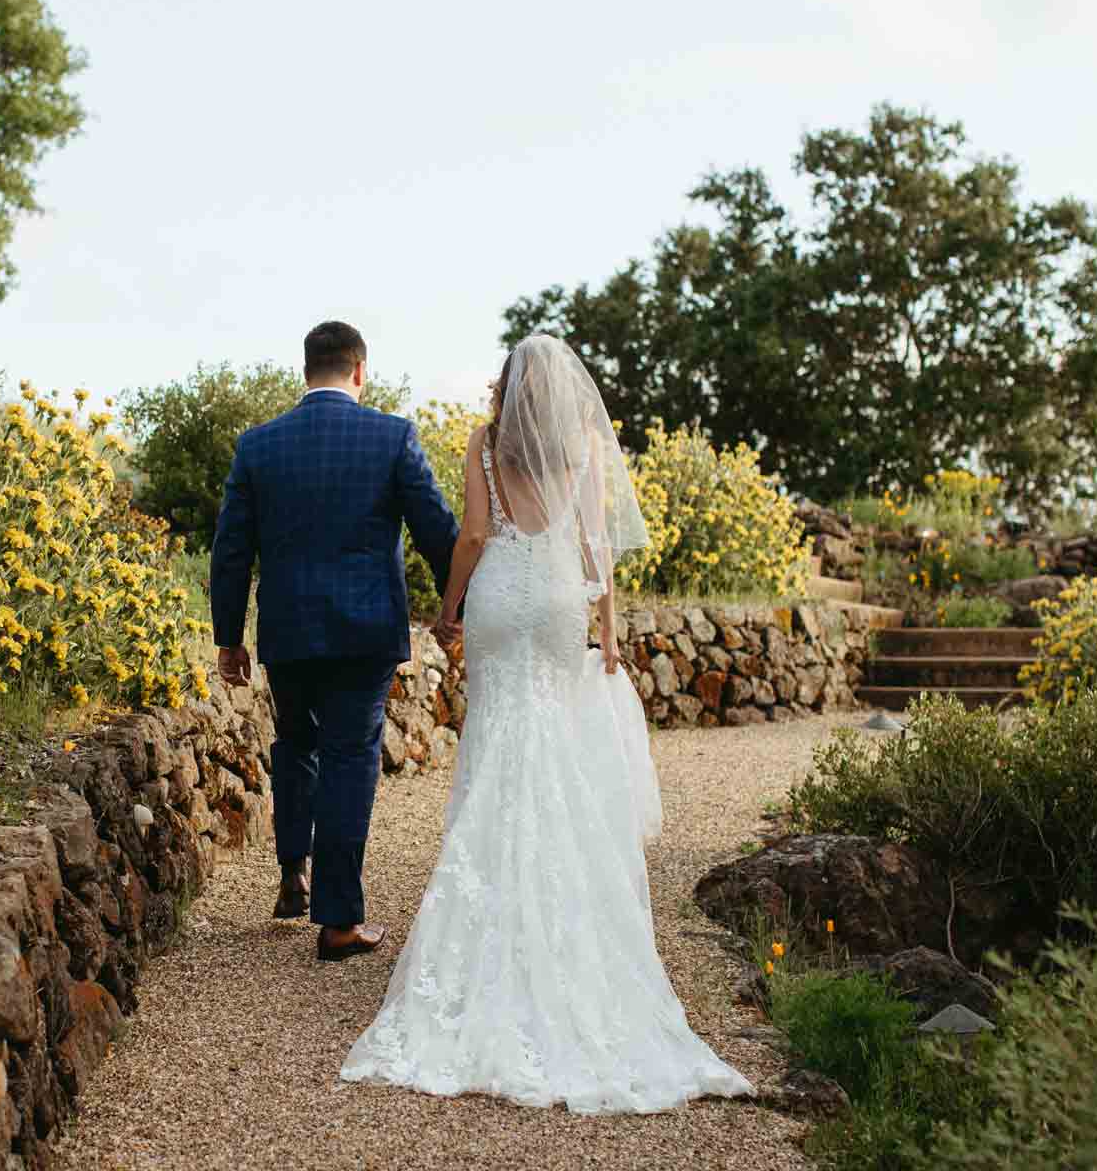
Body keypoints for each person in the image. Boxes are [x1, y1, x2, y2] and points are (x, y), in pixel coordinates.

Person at [338, 333, 754, 1112]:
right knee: (554, 747)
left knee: (497, 749)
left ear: (506, 386)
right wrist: (610, 631)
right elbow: (597, 549)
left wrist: (449, 607)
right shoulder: (585, 447)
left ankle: (485, 935)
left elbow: (470, 535)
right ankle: (568, 935)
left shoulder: (486, 443)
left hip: (500, 600)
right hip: (562, 599)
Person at [209, 320, 462, 962]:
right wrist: (456, 607)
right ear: (359, 371)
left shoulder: (258, 446)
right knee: (350, 757)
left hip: (289, 632)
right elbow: (437, 531)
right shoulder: (392, 436)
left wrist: (229, 638)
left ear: (305, 372)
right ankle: (340, 922)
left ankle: (294, 874)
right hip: (364, 630)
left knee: (297, 744)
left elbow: (231, 551)